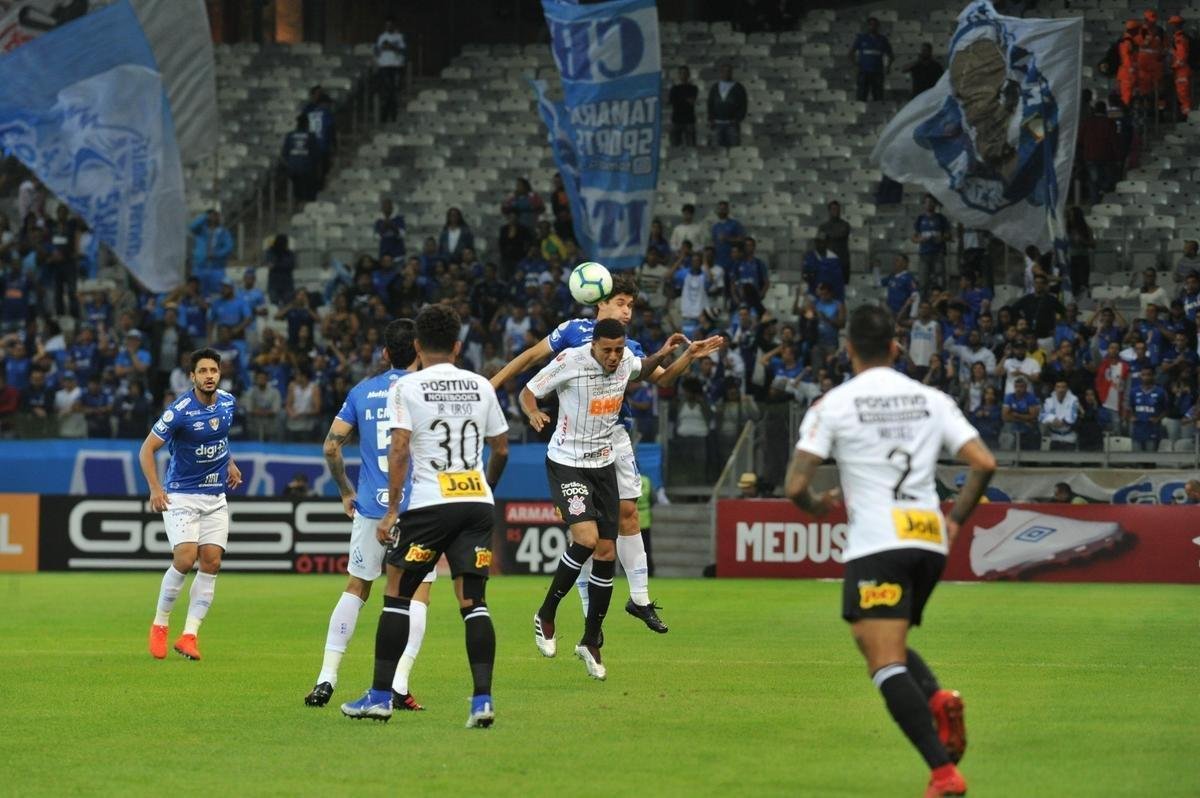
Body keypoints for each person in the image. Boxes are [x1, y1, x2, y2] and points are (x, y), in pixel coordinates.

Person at [784, 303, 994, 798]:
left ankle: (943, 771)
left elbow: (795, 486)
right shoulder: (932, 399)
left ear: (848, 349)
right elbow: (984, 462)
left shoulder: (834, 404)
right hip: (927, 538)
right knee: (874, 637)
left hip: (879, 542)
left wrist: (817, 506)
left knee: (884, 662)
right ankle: (937, 698)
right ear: (896, 348)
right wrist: (955, 521)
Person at [490, 273, 721, 633]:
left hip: (614, 434)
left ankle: (640, 599)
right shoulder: (572, 331)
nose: (628, 311)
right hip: (574, 440)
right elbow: (530, 357)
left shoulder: (628, 347)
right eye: (621, 303)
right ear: (600, 301)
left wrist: (688, 355)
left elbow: (660, 377)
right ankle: (586, 610)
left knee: (628, 513)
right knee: (586, 533)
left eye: (631, 305)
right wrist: (490, 385)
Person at [340, 306, 509, 727]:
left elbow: (399, 450)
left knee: (397, 594)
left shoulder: (408, 386)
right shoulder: (480, 385)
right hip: (476, 502)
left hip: (430, 503)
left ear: (417, 346)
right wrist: (485, 486)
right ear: (457, 345)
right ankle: (482, 702)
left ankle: (380, 697)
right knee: (473, 602)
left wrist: (392, 510)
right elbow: (502, 448)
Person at [305, 320, 432, 710]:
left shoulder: (362, 391)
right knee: (417, 593)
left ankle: (326, 678)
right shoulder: (427, 389)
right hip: (417, 508)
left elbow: (331, 447)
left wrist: (346, 490)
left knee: (357, 586)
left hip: (372, 508)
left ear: (385, 353)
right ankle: (399, 683)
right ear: (418, 350)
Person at [522, 319, 655, 680]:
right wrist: (533, 411)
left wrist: (670, 353)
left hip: (604, 465)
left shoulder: (626, 361)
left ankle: (590, 641)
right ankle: (546, 613)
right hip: (567, 462)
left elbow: (646, 369)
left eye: (618, 350)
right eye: (607, 350)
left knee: (606, 553)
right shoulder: (571, 361)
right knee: (586, 539)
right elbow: (528, 391)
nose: (613, 356)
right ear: (593, 345)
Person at [141, 348, 242, 662]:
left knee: (211, 562)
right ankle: (160, 624)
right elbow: (146, 449)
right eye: (203, 371)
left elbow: (219, 439)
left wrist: (229, 463)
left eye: (213, 370)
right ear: (192, 376)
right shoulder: (179, 411)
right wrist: (155, 489)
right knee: (185, 559)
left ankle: (189, 636)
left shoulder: (228, 402)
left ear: (219, 374)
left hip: (215, 497)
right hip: (182, 495)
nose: (209, 376)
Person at [189, 210, 234, 297]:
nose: (214, 217)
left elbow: (228, 247)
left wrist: (216, 254)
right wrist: (205, 216)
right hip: (200, 267)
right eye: (212, 215)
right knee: (198, 291)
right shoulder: (200, 230)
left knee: (217, 292)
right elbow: (192, 227)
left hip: (217, 268)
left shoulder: (223, 232)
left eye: (216, 215)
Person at [912, 195, 951, 292]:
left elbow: (949, 235)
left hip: (938, 253)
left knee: (940, 281)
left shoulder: (941, 218)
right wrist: (920, 239)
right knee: (923, 282)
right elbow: (913, 238)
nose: (929, 204)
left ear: (935, 204)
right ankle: (923, 300)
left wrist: (941, 238)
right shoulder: (920, 218)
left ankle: (940, 300)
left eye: (931, 202)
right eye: (927, 202)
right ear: (924, 204)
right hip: (924, 254)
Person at [849, 17, 893, 102]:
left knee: (878, 97)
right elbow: (850, 54)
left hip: (877, 72)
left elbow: (891, 55)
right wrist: (856, 65)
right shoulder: (861, 38)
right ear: (868, 26)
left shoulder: (883, 39)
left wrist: (888, 67)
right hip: (864, 72)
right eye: (871, 25)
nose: (873, 26)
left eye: (875, 25)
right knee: (861, 96)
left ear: (878, 26)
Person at [373, 16, 407, 123]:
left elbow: (403, 51)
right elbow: (377, 51)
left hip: (396, 67)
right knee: (388, 92)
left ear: (394, 25)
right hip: (384, 67)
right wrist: (382, 47)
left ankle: (387, 116)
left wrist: (391, 46)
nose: (388, 27)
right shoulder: (382, 37)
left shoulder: (399, 37)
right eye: (387, 25)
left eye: (390, 25)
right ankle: (390, 116)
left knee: (393, 92)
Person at [707, 62, 748, 148]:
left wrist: (737, 119)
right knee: (717, 150)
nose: (726, 73)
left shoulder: (738, 87)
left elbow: (743, 105)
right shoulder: (715, 87)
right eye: (724, 71)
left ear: (731, 72)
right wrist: (711, 119)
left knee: (734, 150)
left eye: (728, 71)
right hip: (717, 124)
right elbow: (710, 104)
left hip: (732, 125)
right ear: (721, 72)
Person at [1126, 366, 1166, 452]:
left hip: (1152, 430)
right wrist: (1132, 416)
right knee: (1136, 457)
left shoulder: (1160, 392)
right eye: (1143, 375)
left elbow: (1166, 410)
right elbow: (1130, 407)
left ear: (1153, 376)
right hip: (1137, 430)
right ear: (1140, 376)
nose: (1146, 377)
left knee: (1150, 457)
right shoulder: (1134, 391)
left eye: (1148, 374)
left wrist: (1158, 419)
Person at [281, 114, 319, 202]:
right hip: (307, 169)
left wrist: (289, 164)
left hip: (293, 168)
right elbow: (315, 154)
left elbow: (284, 153)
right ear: (307, 124)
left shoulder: (290, 135)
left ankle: (297, 202)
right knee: (309, 190)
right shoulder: (311, 136)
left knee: (297, 190)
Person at [818, 200, 852, 280]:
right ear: (829, 211)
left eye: (838, 209)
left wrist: (828, 235)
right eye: (833, 209)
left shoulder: (845, 225)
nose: (836, 211)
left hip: (842, 261)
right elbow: (820, 241)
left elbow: (841, 234)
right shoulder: (823, 226)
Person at [668, 65, 699, 146]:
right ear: (679, 75)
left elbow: (691, 100)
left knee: (691, 145)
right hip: (676, 119)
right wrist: (685, 99)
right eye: (681, 73)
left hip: (689, 120)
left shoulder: (693, 88)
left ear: (688, 75)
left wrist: (679, 98)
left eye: (685, 73)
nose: (684, 75)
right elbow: (671, 101)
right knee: (675, 146)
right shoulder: (674, 88)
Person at [1169, 16, 1192, 120]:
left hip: (1182, 70)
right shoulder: (1180, 37)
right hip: (1181, 69)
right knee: (1181, 93)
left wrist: (1175, 65)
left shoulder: (1179, 38)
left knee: (1183, 93)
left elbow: (1181, 55)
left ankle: (1187, 116)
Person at [1117, 20, 1140, 108]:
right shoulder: (1127, 42)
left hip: (1128, 72)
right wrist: (1131, 68)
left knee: (1130, 95)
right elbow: (1126, 57)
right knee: (1127, 96)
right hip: (1127, 74)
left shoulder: (1129, 41)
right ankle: (1126, 111)